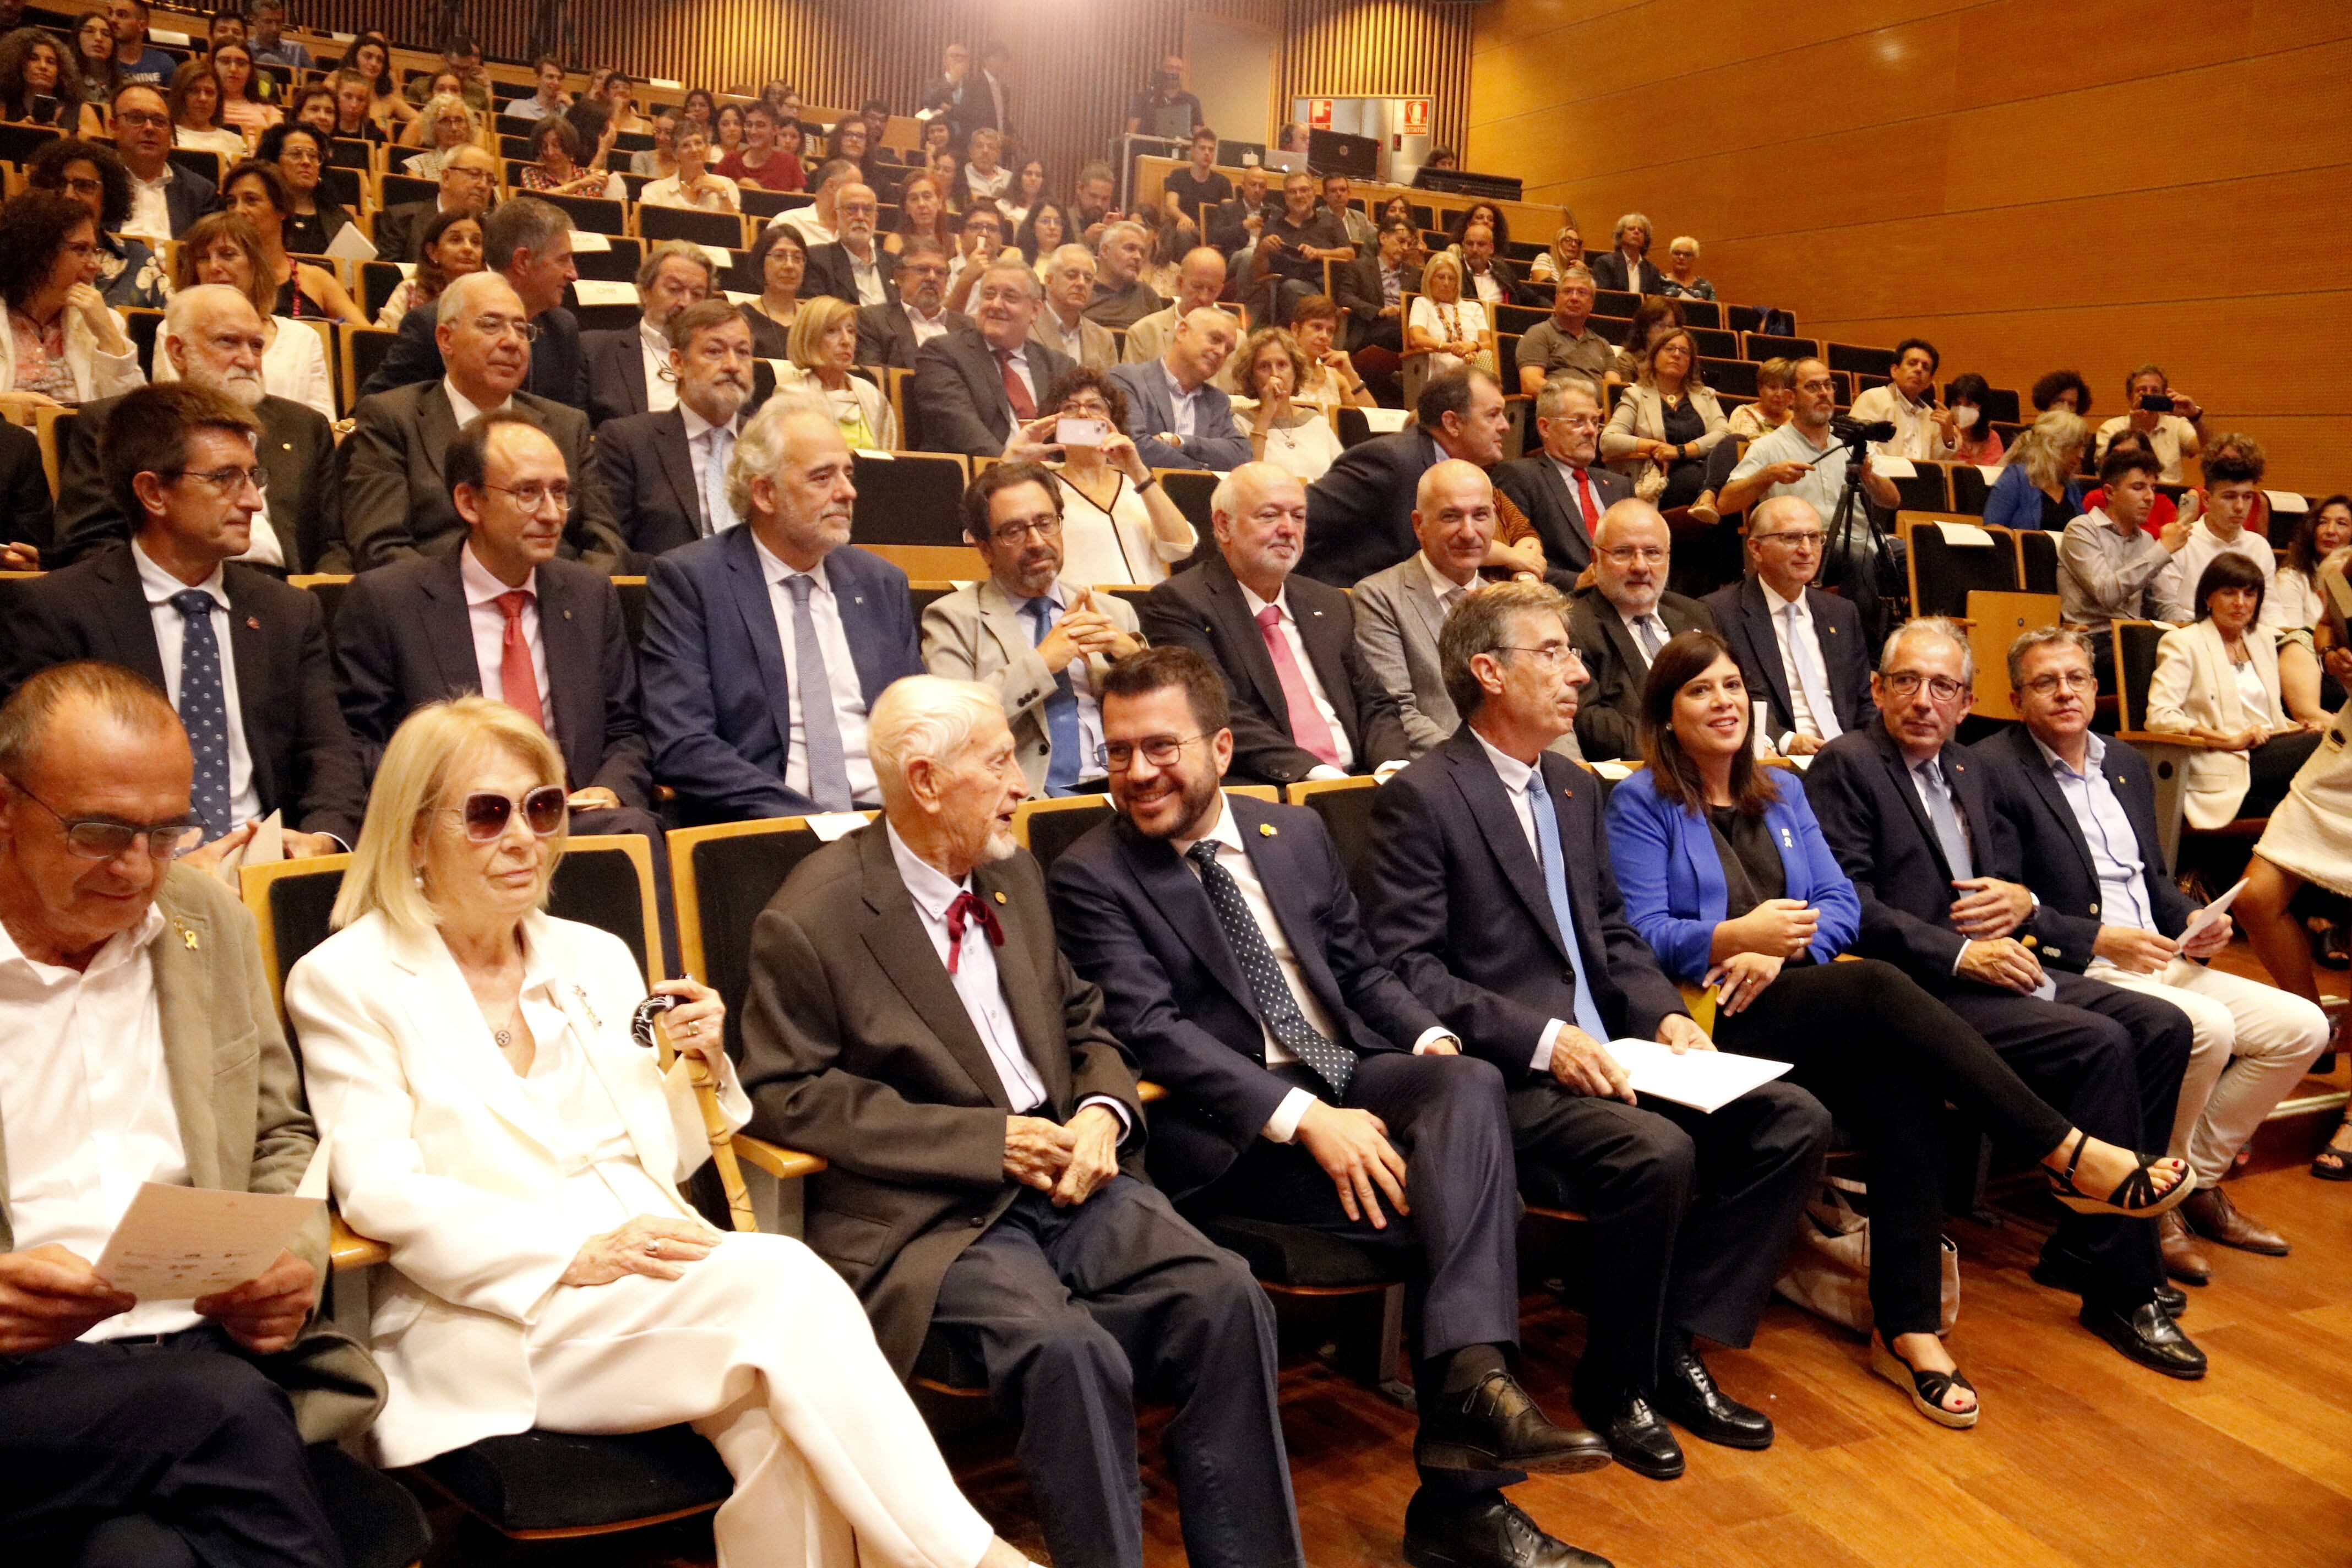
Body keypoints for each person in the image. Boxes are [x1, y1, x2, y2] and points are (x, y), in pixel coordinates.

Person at [287, 697, 1037, 1568]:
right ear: (416, 835)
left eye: (544, 808)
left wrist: (705, 1067)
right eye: (489, 814)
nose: (525, 838)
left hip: (663, 1273)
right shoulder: (348, 980)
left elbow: (677, 1155)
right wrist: (572, 1253)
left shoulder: (591, 953)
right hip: (496, 1310)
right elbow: (382, 1189)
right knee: (784, 1281)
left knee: (782, 1431)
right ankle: (976, 1559)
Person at [1049, 644, 1610, 1568]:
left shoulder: (1290, 833)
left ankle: (1471, 1382)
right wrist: (1305, 1118)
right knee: (1474, 1202)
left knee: (1465, 1079)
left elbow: (1360, 971)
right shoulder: (1093, 873)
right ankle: (1464, 1493)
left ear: (1221, 747)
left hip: (1346, 1066)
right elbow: (1151, 1033)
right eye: (1117, 752)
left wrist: (1425, 1042)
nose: (1136, 772)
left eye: (1160, 747)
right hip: (1240, 1131)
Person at [732, 669, 1292, 1568]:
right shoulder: (814, 914)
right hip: (941, 1218)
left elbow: (1084, 1020)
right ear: (923, 780)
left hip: (1074, 1171)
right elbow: (785, 1090)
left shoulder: (1013, 874)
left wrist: (1105, 1112)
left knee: (1225, 1295)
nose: (1022, 784)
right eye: (996, 763)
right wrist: (981, 1140)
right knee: (1069, 1352)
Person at [1607, 628, 2201, 1425]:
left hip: (1798, 996)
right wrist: (1734, 938)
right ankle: (2067, 1152)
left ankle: (1908, 1328)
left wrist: (1783, 952)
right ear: (1665, 712)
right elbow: (1641, 930)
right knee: (1884, 989)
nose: (1721, 704)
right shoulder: (1640, 802)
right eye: (1698, 691)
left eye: (1731, 689)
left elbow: (1840, 906)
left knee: (1906, 1080)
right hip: (1709, 1017)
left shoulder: (1781, 791)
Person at [0, 661, 385, 1563]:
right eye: (99, 830)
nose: (137, 868)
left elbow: (281, 1132)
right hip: (21, 1376)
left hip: (192, 1337)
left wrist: (283, 1264)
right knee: (224, 1414)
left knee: (140, 1555)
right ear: (6, 804)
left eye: (165, 830)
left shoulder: (198, 921)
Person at [1803, 618, 2204, 1376]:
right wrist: (1961, 951)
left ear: (1967, 702)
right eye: (1908, 683)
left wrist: (2018, 904)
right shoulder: (1848, 765)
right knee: (2100, 1042)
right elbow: (1850, 904)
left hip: (2002, 964)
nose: (1925, 701)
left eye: (1944, 687)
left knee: (2161, 1024)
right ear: (1877, 690)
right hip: (1920, 989)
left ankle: (2084, 1243)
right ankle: (2126, 1286)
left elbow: (2011, 882)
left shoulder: (1968, 769)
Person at [1978, 625, 2328, 1283]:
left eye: (2077, 678)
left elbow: (2154, 881)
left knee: (2302, 1027)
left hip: (2162, 955)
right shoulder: (1995, 771)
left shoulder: (2124, 762)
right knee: (2210, 1027)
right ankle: (2155, 1199)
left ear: (2094, 685)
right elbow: (2008, 903)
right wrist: (2100, 939)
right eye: (2046, 682)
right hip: (2081, 965)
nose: (2065, 693)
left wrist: (2194, 918)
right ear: (2017, 697)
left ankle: (2195, 1180)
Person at [6, 384, 363, 853]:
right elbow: (42, 781)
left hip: (264, 861)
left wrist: (320, 840)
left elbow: (328, 755)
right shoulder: (58, 611)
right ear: (153, 493)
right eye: (224, 479)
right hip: (126, 867)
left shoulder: (287, 612)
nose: (255, 501)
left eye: (254, 477)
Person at [330, 410, 661, 862]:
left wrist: (611, 787)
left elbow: (627, 727)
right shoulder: (389, 601)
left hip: (572, 817)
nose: (551, 515)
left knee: (633, 831)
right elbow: (356, 744)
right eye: (528, 493)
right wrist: (447, 796)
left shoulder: (588, 595)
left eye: (560, 493)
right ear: (469, 503)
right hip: (457, 825)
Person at [640, 396, 921, 820]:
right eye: (822, 478)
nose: (848, 492)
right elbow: (684, 744)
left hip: (888, 820)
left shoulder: (881, 583)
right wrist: (817, 821)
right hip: (771, 821)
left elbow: (918, 722)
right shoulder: (692, 582)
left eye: (847, 473)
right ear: (765, 494)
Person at [1140, 462, 1406, 785]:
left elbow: (1374, 702)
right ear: (1224, 526)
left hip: (1363, 779)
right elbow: (1217, 713)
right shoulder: (1180, 603)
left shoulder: (1329, 602)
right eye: (1269, 515)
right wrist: (1316, 775)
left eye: (1298, 516)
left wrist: (1391, 766)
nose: (1288, 529)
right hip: (1268, 786)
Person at [340, 273, 620, 571]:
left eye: (521, 329)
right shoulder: (392, 418)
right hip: (441, 602)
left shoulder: (567, 425)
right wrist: (474, 598)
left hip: (553, 600)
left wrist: (564, 599)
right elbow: (380, 545)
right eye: (491, 325)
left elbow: (607, 545)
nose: (512, 342)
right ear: (446, 339)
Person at [55, 285, 337, 571]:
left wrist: (319, 597)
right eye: (228, 342)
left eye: (256, 346)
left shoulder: (304, 426)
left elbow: (335, 544)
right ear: (178, 352)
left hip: (287, 596)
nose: (249, 360)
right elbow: (89, 545)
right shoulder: (116, 422)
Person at [921, 460, 1142, 795]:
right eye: (1014, 531)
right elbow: (952, 724)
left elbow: (1169, 716)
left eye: (1045, 523)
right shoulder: (953, 618)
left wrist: (1136, 659)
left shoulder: (1114, 611)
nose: (1037, 541)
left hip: (1127, 790)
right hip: (1026, 800)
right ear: (985, 549)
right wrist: (1042, 664)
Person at [1352, 460, 1556, 759]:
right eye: (1451, 517)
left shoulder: (1509, 604)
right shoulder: (1380, 597)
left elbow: (1545, 705)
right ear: (1419, 525)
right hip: (1444, 773)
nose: (1469, 532)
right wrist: (1488, 767)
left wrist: (1568, 775)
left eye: (1481, 515)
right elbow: (1397, 712)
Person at [1721, 357, 1903, 636]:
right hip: (1812, 548)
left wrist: (1869, 476)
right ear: (1791, 397)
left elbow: (1892, 500)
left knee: (1914, 555)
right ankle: (1865, 653)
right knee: (1859, 556)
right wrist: (1767, 475)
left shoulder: (1851, 440)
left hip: (1866, 541)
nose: (1824, 393)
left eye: (1828, 386)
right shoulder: (1769, 447)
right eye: (1813, 387)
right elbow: (1725, 503)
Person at [362, 196, 587, 411]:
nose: (574, 274)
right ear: (522, 261)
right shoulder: (434, 322)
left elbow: (570, 422)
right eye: (563, 259)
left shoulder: (562, 328)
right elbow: (372, 408)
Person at [2146, 553, 2323, 824]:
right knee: (2324, 748)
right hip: (2223, 759)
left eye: (2249, 595)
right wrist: (2228, 740)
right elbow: (2160, 717)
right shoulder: (2183, 643)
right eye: (2229, 593)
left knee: (2330, 741)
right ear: (2208, 598)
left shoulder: (2263, 639)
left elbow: (2266, 715)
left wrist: (2297, 729)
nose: (2240, 604)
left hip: (2268, 752)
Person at [1301, 366, 1511, 587]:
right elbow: (1301, 517)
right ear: (1452, 423)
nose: (1505, 426)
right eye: (1493, 415)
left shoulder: (1471, 470)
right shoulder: (1388, 461)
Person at [1701, 496, 1876, 756]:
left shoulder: (1842, 613)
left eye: (1815, 537)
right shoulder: (1718, 613)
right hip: (1777, 759)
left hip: (1848, 757)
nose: (1807, 550)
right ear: (1756, 549)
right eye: (1792, 538)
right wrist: (1786, 741)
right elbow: (1727, 703)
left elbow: (1863, 703)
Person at [595, 300, 759, 560]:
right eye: (715, 352)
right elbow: (613, 553)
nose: (732, 365)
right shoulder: (628, 442)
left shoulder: (770, 443)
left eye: (742, 352)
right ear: (678, 363)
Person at [1566, 500, 1719, 761]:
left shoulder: (1696, 613)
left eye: (1652, 553)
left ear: (1668, 557)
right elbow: (1587, 721)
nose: (1640, 566)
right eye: (1623, 553)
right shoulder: (1572, 624)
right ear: (1596, 559)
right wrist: (1683, 744)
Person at [153, 213, 331, 419]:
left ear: (255, 264)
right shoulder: (174, 328)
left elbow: (320, 425)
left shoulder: (303, 338)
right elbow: (173, 410)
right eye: (203, 258)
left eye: (228, 255)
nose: (214, 267)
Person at [1035, 366, 1197, 586]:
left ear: (1113, 420)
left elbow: (1181, 548)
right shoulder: (1043, 489)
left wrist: (1138, 470)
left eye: (1095, 406)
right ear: (1056, 424)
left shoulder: (1137, 483)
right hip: (1085, 610)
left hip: (1146, 609)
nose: (1083, 414)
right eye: (1071, 408)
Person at [912, 261, 1075, 457]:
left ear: (1035, 311)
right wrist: (1011, 467)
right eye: (989, 295)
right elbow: (961, 433)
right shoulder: (942, 353)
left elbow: (1074, 434)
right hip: (980, 476)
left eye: (1010, 297)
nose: (996, 305)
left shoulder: (1060, 366)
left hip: (1053, 479)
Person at [0, 189, 140, 409]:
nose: (95, 264)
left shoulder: (102, 320)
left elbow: (133, 415)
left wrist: (107, 333)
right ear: (37, 251)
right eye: (81, 250)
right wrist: (7, 406)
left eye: (95, 251)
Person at [1491, 377, 1631, 583]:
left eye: (1595, 421)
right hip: (1566, 601)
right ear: (1545, 428)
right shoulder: (1520, 476)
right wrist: (1578, 582)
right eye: (1578, 421)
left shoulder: (1620, 486)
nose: (1591, 431)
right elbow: (1515, 562)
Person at [2056, 447, 2184, 669]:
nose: (2149, 497)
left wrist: (2188, 631)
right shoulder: (2081, 530)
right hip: (2090, 642)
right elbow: (2106, 593)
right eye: (2138, 488)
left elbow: (2166, 603)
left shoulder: (2146, 540)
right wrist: (2163, 550)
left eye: (2153, 488)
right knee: (2152, 661)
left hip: (2134, 638)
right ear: (2109, 492)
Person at [1601, 326, 1733, 530]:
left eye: (1684, 351)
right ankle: (1709, 497)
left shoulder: (1705, 395)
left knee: (1736, 442)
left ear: (1691, 363)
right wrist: (1654, 446)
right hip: (1664, 477)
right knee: (1714, 487)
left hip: (1706, 470)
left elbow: (1724, 433)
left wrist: (1681, 451)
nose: (1677, 354)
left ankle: (1709, 497)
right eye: (1669, 348)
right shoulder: (1636, 396)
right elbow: (1608, 440)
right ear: (1654, 356)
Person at [25, 138, 170, 313]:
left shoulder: (138, 260)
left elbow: (174, 324)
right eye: (59, 184)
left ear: (107, 196)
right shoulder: (21, 254)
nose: (69, 195)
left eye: (84, 186)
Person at [580, 241, 712, 429]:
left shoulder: (719, 358)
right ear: (645, 293)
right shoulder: (595, 351)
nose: (686, 303)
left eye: (697, 294)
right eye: (674, 289)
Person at [215, 160, 365, 324]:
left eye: (251, 200)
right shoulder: (218, 274)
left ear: (282, 209)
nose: (238, 211)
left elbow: (363, 336)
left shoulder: (318, 280)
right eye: (231, 202)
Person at [2152, 440, 2280, 625]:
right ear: (2206, 499)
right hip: (2189, 636)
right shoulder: (2181, 542)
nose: (2240, 507)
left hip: (2244, 640)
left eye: (2247, 497)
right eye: (2230, 497)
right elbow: (2167, 609)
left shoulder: (2259, 546)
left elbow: (2269, 608)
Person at [1107, 307, 1248, 472]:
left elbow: (1241, 453)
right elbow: (1135, 447)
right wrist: (1200, 469)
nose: (1221, 352)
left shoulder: (1217, 401)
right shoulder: (1128, 379)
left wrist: (1177, 441)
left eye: (1229, 349)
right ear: (1182, 331)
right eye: (1215, 339)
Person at [778, 295, 897, 450]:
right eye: (832, 331)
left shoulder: (873, 397)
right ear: (809, 338)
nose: (846, 340)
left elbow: (890, 460)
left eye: (851, 331)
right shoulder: (791, 399)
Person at [1229, 326, 1343, 483]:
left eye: (1282, 365)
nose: (1275, 374)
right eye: (1264, 366)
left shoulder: (1316, 421)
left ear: (1295, 371)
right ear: (1252, 376)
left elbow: (1341, 477)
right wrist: (1267, 412)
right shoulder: (1238, 421)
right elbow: (1249, 478)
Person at [2275, 496, 2351, 724]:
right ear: (2321, 594)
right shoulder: (2300, 643)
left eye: (2342, 523)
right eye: (2323, 522)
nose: (2330, 531)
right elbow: (2307, 713)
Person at [112, 81, 214, 245]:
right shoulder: (96, 182)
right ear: (114, 127)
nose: (149, 128)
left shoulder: (200, 193)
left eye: (159, 121)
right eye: (137, 118)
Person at [1250, 170, 1352, 328]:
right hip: (1281, 290)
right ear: (1285, 197)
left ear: (1314, 193)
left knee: (1292, 288)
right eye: (1292, 192)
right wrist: (1263, 250)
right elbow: (1257, 273)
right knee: (1280, 290)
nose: (1299, 196)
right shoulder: (1273, 225)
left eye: (1304, 190)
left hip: (1323, 290)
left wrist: (1319, 253)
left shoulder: (1330, 222)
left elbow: (1349, 254)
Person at [372, 141, 495, 264]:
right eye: (474, 174)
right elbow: (387, 278)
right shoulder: (403, 220)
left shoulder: (494, 232)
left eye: (490, 180)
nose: (483, 186)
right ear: (446, 178)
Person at [1849, 339, 1958, 462]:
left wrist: (1948, 438)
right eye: (1912, 363)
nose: (1919, 370)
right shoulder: (1873, 398)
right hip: (1883, 478)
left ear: (1929, 382)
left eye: (1925, 367)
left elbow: (1939, 467)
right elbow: (1859, 449)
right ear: (1894, 371)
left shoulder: (1930, 415)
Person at [373, 206, 480, 332]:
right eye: (456, 240)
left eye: (476, 242)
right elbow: (382, 340)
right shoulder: (411, 292)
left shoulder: (494, 295)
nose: (468, 248)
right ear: (433, 252)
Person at [2093, 363, 2206, 482]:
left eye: (2155, 391)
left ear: (2164, 396)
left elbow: (2207, 449)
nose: (2149, 395)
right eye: (2142, 391)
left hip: (2169, 494)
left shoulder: (2177, 425)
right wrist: (2133, 431)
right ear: (2130, 397)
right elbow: (2104, 469)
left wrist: (2195, 416)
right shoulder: (2111, 428)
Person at [1985, 408, 2090, 532]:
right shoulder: (2016, 477)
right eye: (2076, 447)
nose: (2081, 456)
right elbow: (1993, 528)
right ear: (2054, 446)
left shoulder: (2072, 489)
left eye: (2083, 448)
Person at [1119, 246, 1224, 366]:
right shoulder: (1143, 333)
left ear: (1220, 291)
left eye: (1212, 290)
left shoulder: (1236, 343)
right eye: (1197, 287)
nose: (1203, 298)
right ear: (1180, 283)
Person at [1515, 269, 1610, 399]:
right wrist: (1579, 401)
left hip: (1598, 416)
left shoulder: (1603, 345)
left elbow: (1613, 390)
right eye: (1568, 291)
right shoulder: (1538, 334)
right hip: (1555, 414)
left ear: (1591, 304)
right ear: (1556, 300)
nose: (1574, 298)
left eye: (1582, 293)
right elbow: (1531, 384)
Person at [258, 123, 350, 258]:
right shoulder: (258, 211)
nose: (306, 162)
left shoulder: (340, 219)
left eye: (313, 156)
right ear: (274, 162)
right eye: (296, 154)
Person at [804, 181, 894, 308]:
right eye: (851, 209)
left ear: (876, 218)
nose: (860, 217)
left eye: (868, 210)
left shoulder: (894, 264)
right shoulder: (817, 260)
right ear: (836, 216)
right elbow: (819, 318)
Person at [1029, 243, 1116, 371]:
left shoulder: (1104, 339)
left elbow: (1110, 390)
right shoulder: (1026, 328)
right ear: (1049, 280)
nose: (1081, 283)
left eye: (1088, 278)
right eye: (1072, 275)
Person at [739, 222, 807, 359]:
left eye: (797, 258)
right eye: (779, 256)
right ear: (761, 263)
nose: (790, 266)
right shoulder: (741, 317)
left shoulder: (815, 320)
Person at [642, 121, 739, 212]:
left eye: (698, 143)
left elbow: (736, 229)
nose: (694, 150)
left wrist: (722, 194)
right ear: (675, 154)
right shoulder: (654, 192)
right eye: (686, 145)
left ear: (707, 148)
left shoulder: (727, 185)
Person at [518, 115, 621, 199]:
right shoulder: (531, 173)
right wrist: (578, 185)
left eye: (556, 145)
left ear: (569, 146)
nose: (550, 152)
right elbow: (536, 200)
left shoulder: (589, 177)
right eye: (544, 147)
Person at [166, 59, 247, 156]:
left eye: (209, 92)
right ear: (180, 94)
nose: (203, 99)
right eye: (194, 91)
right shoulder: (165, 136)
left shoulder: (235, 141)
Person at [716, 99, 800, 192]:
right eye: (749, 125)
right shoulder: (730, 160)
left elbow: (799, 202)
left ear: (775, 130)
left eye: (760, 126)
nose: (753, 131)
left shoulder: (789, 163)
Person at [208, 40, 276, 146]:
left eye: (241, 64)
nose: (233, 69)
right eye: (225, 62)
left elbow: (278, 145)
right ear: (212, 65)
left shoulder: (268, 109)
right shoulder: (201, 102)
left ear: (251, 70)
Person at [399, 92, 477, 180]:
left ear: (469, 126)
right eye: (445, 121)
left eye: (459, 120)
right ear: (433, 127)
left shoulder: (482, 168)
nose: (454, 128)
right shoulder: (417, 167)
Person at [1124, 52, 1204, 135]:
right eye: (1170, 68)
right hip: (1147, 147)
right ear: (1161, 71)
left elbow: (1199, 137)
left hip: (1181, 148)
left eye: (1179, 69)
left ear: (1184, 74)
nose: (1174, 72)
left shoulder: (1192, 101)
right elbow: (1131, 133)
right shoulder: (1143, 98)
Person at [1589, 212, 1663, 295]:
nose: (1636, 232)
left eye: (1641, 231)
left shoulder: (1652, 270)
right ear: (1621, 235)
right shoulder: (1605, 263)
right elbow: (1603, 297)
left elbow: (1655, 301)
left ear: (1645, 240)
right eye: (1631, 229)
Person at [1724, 357, 1795, 441]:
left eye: (1786, 388)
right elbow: (1755, 450)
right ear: (1760, 387)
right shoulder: (1744, 414)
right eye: (1773, 387)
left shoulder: (1797, 418)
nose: (1779, 394)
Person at [107, 0, 176, 84]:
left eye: (122, 15)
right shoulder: (102, 62)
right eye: (110, 13)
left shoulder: (164, 64)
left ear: (142, 26)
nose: (112, 20)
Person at [1945, 372, 2005, 465]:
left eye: (1969, 404)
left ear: (1982, 407)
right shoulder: (1943, 435)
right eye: (1957, 404)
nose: (1961, 410)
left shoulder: (1992, 438)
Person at [70, 13, 118, 109]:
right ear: (77, 38)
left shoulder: (125, 86)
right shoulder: (65, 82)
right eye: (90, 31)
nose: (99, 38)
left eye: (106, 34)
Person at [505, 53, 568, 123]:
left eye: (559, 79)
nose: (556, 83)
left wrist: (571, 106)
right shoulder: (518, 107)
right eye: (550, 77)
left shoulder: (566, 112)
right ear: (538, 79)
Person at [1658, 236, 1712, 301]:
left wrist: (1705, 306)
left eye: (1687, 255)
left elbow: (1716, 309)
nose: (1681, 257)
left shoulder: (1705, 286)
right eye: (1677, 253)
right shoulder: (1659, 281)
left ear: (1694, 258)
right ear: (1671, 256)